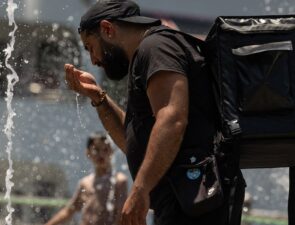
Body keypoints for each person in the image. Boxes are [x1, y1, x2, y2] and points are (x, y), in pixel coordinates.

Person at [64, 0, 246, 225]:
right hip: (185, 200)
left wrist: (140, 190)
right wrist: (99, 98)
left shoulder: (157, 47)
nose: (93, 60)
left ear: (107, 29)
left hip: (199, 197)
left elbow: (172, 119)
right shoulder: (147, 54)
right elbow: (133, 142)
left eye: (90, 47)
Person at [44, 132, 128, 225]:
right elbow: (69, 211)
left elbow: (121, 215)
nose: (101, 154)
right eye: (96, 149)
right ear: (88, 153)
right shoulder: (85, 183)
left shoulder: (119, 181)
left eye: (105, 149)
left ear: (111, 152)